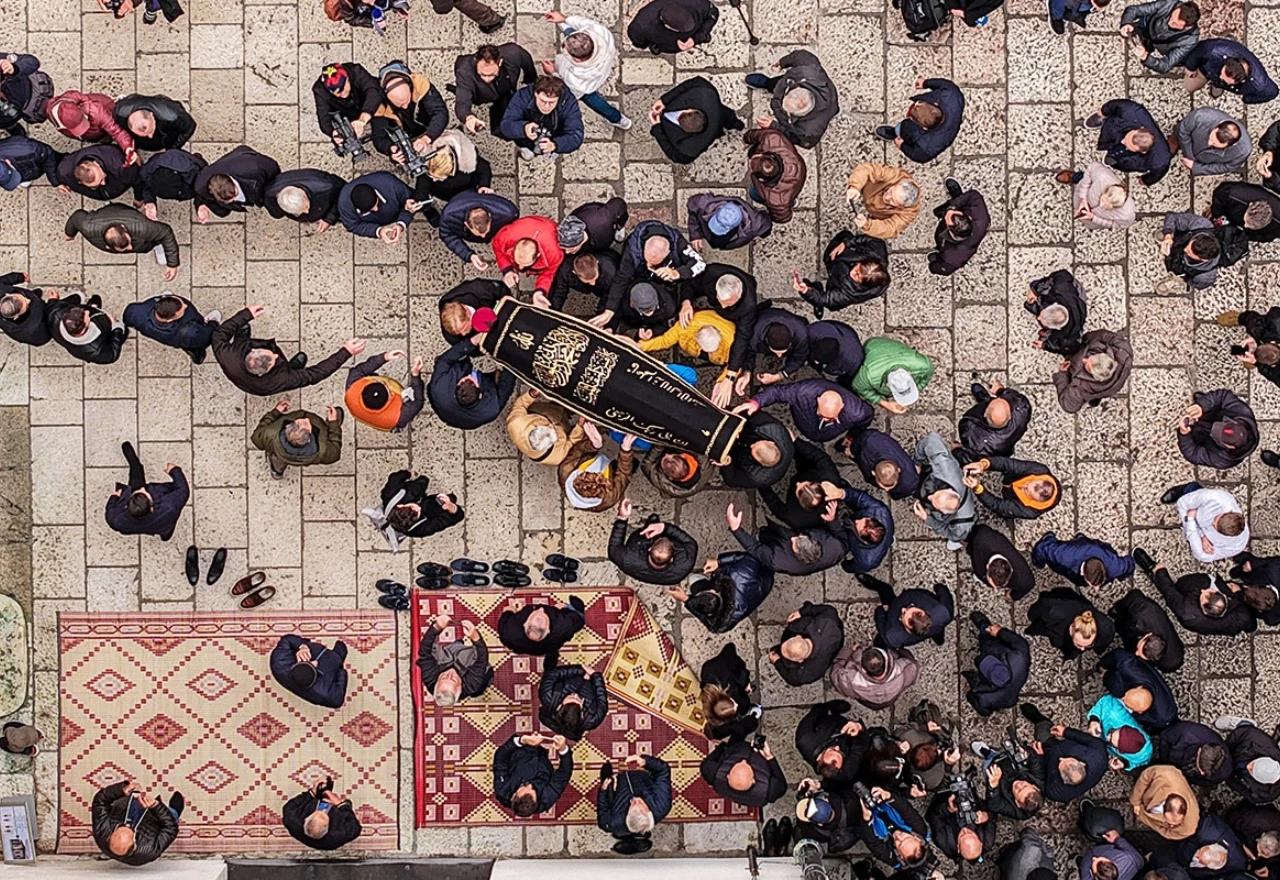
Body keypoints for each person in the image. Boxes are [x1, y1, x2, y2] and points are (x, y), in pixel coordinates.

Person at [212, 304, 363, 396]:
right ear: (263, 373)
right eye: (274, 360)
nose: (276, 355)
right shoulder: (278, 381)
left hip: (239, 367)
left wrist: (246, 315)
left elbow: (219, 334)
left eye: (271, 354)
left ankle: (242, 336)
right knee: (291, 373)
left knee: (242, 330)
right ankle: (292, 368)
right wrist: (346, 352)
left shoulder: (226, 354)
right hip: (262, 380)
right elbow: (315, 374)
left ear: (252, 352)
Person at [595, 220, 704, 327]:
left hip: (665, 285)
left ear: (668, 252)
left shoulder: (678, 243)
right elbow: (622, 278)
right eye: (647, 259)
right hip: (639, 280)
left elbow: (700, 263)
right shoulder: (632, 249)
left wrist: (677, 273)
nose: (649, 265)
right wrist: (610, 310)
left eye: (654, 264)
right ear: (644, 246)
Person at [1133, 547, 1257, 635]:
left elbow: (1169, 592)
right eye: (1209, 592)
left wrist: (1160, 572)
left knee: (1176, 588)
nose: (1203, 591)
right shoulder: (1242, 617)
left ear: (1205, 610)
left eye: (1203, 596)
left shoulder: (1187, 612)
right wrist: (1237, 594)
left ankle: (1151, 570)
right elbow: (1248, 620)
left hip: (1186, 597)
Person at [545, 10, 626, 127]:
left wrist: (553, 72)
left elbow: (570, 89)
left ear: (577, 59)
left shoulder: (574, 77)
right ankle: (620, 120)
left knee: (594, 101)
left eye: (565, 50)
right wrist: (564, 19)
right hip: (603, 67)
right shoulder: (601, 32)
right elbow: (584, 23)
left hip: (585, 88)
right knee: (575, 41)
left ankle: (616, 118)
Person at [745, 50, 839, 149]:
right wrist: (783, 62)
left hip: (826, 104)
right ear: (798, 88)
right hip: (829, 96)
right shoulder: (808, 70)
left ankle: (832, 111)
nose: (779, 100)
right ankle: (768, 83)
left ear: (799, 115)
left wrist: (774, 126)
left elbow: (799, 140)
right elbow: (800, 56)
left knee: (830, 110)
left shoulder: (809, 131)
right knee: (776, 84)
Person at [64, 203, 182, 282]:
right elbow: (76, 218)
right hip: (106, 215)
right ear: (108, 245)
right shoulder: (88, 226)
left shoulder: (142, 226)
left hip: (129, 217)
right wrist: (70, 233)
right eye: (125, 248)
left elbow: (165, 232)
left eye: (128, 243)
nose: (130, 248)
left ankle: (157, 245)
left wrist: (172, 264)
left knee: (157, 238)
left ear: (124, 229)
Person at [1020, 703, 1110, 802]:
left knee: (1040, 737)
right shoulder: (1099, 755)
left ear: (1064, 781)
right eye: (1069, 759)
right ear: (1082, 763)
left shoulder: (1055, 792)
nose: (1061, 758)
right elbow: (1088, 739)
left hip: (1049, 754)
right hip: (1065, 745)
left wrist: (1040, 758)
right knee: (1044, 727)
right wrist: (1066, 732)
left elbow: (1042, 777)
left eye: (1060, 763)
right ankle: (1039, 719)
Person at [742, 378, 872, 443]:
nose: (824, 419)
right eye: (822, 414)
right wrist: (756, 402)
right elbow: (777, 392)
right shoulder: (803, 392)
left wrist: (851, 436)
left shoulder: (857, 412)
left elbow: (867, 417)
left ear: (842, 406)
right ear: (818, 399)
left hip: (825, 434)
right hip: (804, 420)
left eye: (830, 418)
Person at [361, 469, 464, 552]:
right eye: (417, 514)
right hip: (428, 506)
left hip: (412, 490)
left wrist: (407, 473)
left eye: (412, 507)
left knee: (422, 482)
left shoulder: (390, 494)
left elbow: (394, 478)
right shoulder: (419, 530)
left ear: (400, 506)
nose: (419, 508)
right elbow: (452, 519)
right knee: (434, 494)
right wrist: (451, 507)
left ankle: (423, 482)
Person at [104, 442, 188, 541]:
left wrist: (114, 497)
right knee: (166, 528)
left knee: (136, 473)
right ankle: (165, 535)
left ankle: (134, 463)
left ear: (127, 505)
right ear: (152, 508)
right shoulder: (169, 507)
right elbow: (183, 490)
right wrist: (174, 470)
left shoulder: (116, 520)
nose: (142, 488)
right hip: (163, 525)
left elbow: (110, 510)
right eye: (145, 493)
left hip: (134, 525)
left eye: (138, 492)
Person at [649, 76, 743, 165]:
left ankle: (735, 124)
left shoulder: (689, 150)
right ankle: (737, 125)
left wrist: (657, 128)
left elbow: (675, 156)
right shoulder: (707, 92)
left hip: (717, 117)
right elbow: (695, 82)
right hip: (719, 114)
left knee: (727, 118)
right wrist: (664, 100)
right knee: (728, 117)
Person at [427, 337, 516, 430]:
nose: (469, 377)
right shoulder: (490, 409)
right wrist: (511, 356)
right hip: (463, 416)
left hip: (443, 401)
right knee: (499, 379)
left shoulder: (438, 387)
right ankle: (493, 375)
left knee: (444, 363)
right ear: (480, 394)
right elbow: (507, 384)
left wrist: (471, 343)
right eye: (472, 382)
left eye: (464, 381)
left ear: (457, 386)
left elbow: (445, 360)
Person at [370, 61, 448, 164]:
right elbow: (378, 137)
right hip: (403, 137)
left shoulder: (420, 85)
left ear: (410, 87)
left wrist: (427, 138)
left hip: (428, 128)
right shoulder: (378, 105)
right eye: (400, 104)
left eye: (407, 99)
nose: (405, 106)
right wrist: (391, 150)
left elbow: (440, 113)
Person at [794, 231, 889, 316]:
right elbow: (866, 239)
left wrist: (806, 291)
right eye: (858, 269)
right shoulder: (878, 250)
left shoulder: (849, 293)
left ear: (864, 284)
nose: (854, 273)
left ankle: (816, 293)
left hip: (836, 279)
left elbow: (826, 299)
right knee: (839, 242)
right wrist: (846, 243)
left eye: (858, 277)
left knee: (827, 299)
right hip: (843, 255)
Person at [1082, 98, 1172, 186]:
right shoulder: (1132, 111)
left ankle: (1112, 158)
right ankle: (1103, 123)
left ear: (1143, 151)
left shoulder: (1160, 161)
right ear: (1138, 129)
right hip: (1114, 128)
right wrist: (1103, 112)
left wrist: (1145, 180)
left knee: (1118, 160)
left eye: (1128, 145)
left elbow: (1158, 173)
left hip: (1127, 160)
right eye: (1127, 138)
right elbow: (1117, 104)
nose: (1122, 141)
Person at [875, 78, 965, 164]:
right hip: (949, 124)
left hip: (927, 137)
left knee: (903, 129)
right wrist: (925, 83)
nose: (916, 104)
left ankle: (895, 133)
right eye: (920, 103)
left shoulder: (928, 148)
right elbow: (945, 84)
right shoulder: (952, 95)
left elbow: (918, 156)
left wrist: (902, 145)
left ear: (924, 128)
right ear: (935, 104)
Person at [91, 781, 181, 866]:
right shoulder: (149, 851)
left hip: (124, 811)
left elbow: (100, 801)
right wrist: (156, 806)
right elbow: (171, 829)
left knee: (124, 805)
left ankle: (111, 854)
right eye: (130, 829)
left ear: (110, 837)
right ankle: (174, 810)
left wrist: (121, 790)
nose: (128, 825)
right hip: (151, 822)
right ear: (135, 842)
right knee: (171, 816)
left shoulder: (101, 834)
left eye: (120, 826)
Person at [608, 499, 697, 586]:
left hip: (640, 543)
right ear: (671, 559)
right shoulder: (684, 565)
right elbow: (690, 543)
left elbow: (614, 549)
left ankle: (650, 525)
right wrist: (665, 528)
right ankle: (654, 525)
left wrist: (623, 518)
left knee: (648, 529)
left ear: (649, 549)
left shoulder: (628, 559)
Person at [452, 44, 536, 134]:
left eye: (492, 74)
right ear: (476, 62)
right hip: (483, 94)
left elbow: (527, 62)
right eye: (482, 74)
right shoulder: (464, 71)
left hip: (506, 88)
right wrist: (469, 118)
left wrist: (531, 79)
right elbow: (462, 103)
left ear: (500, 62)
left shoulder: (514, 53)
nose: (487, 79)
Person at [912, 431, 976, 549]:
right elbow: (931, 440)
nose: (929, 497)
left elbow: (951, 534)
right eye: (934, 495)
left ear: (946, 513)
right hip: (929, 476)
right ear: (949, 490)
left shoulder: (962, 525)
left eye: (933, 503)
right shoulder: (945, 468)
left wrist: (928, 519)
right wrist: (917, 462)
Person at [250, 400, 344, 479]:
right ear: (309, 440)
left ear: (287, 428)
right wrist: (333, 425)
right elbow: (335, 453)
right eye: (307, 425)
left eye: (298, 423)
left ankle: (277, 470)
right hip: (320, 438)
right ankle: (329, 427)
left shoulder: (270, 434)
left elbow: (256, 437)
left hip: (280, 452)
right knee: (327, 433)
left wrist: (275, 412)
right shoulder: (322, 451)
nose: (306, 419)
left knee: (279, 458)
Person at [498, 75, 585, 161]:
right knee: (526, 151)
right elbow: (506, 125)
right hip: (526, 139)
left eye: (551, 102)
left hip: (553, 137)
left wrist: (556, 145)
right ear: (536, 94)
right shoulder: (522, 97)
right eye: (543, 101)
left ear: (558, 98)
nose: (546, 106)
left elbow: (576, 135)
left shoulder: (568, 103)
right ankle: (524, 147)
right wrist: (523, 128)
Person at [730, 513, 846, 577]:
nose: (793, 538)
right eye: (799, 537)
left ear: (797, 555)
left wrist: (736, 529)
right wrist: (832, 521)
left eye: (794, 543)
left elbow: (755, 548)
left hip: (774, 542)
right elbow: (843, 538)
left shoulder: (777, 560)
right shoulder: (836, 548)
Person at [859, 574, 954, 650]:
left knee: (886, 590)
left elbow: (880, 620)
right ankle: (939, 639)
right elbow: (942, 591)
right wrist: (938, 587)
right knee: (938, 631)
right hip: (937, 625)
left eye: (903, 615)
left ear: (908, 630)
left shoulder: (892, 636)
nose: (903, 609)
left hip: (893, 608)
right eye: (910, 607)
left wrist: (881, 610)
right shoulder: (943, 611)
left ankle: (875, 584)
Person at [417, 611, 493, 707]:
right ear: (460, 687)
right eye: (453, 679)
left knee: (434, 653)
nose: (450, 674)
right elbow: (482, 660)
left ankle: (456, 647)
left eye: (443, 677)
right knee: (479, 663)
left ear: (436, 682)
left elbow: (424, 652)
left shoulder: (430, 679)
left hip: (447, 661)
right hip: (469, 668)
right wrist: (476, 638)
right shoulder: (471, 685)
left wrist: (436, 627)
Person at [1162, 482, 1250, 563]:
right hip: (1198, 504)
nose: (1212, 524)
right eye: (1215, 519)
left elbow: (1202, 555)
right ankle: (1185, 489)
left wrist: (1191, 522)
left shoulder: (1237, 546)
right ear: (1227, 512)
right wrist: (1197, 536)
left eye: (1215, 528)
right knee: (1192, 492)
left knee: (1192, 538)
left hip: (1193, 517)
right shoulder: (1216, 498)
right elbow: (1182, 503)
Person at [963, 612, 1030, 716]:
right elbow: (1020, 642)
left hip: (994, 654)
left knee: (986, 644)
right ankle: (983, 624)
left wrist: (973, 691)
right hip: (1000, 650)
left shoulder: (989, 699)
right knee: (988, 637)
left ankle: (974, 677)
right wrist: (999, 632)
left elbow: (983, 710)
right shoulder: (1019, 658)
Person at [123, 292, 219, 364]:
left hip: (160, 334)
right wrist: (213, 323)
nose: (185, 305)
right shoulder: (190, 332)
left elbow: (127, 319)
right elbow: (207, 337)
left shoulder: (135, 311)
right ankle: (197, 356)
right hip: (185, 338)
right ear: (170, 319)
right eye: (182, 310)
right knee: (196, 345)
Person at [191, 145, 281, 221]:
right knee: (222, 212)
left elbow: (273, 167)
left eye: (235, 195)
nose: (233, 200)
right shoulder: (201, 184)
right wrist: (201, 206)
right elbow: (200, 195)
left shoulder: (255, 167)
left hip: (255, 178)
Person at [493, 733, 574, 818]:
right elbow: (563, 774)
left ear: (513, 796)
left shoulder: (502, 790)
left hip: (519, 752)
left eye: (524, 785)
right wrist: (563, 750)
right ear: (537, 801)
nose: (529, 785)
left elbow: (500, 757)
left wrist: (522, 741)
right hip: (541, 759)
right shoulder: (546, 799)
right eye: (533, 789)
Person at [1053, 328, 1133, 413]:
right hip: (1106, 389)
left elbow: (1068, 405)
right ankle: (1094, 399)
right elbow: (1104, 335)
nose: (1084, 360)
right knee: (1096, 396)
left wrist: (1062, 375)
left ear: (1094, 375)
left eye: (1087, 367)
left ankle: (1093, 399)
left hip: (1073, 359)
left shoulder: (1082, 387)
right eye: (1090, 358)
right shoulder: (1122, 351)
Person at [597, 754, 672, 845]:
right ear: (649, 811)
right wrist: (646, 762)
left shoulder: (612, 823)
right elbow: (663, 771)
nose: (634, 799)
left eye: (632, 804)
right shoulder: (662, 805)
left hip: (618, 787)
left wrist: (603, 791)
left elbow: (603, 810)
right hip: (642, 776)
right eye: (640, 803)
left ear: (626, 816)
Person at [344, 350, 425, 433]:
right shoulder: (400, 416)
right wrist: (415, 375)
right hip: (391, 421)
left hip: (363, 415)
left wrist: (385, 357)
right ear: (389, 395)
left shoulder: (352, 387)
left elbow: (359, 370)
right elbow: (418, 401)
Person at [1176, 388, 1257, 469]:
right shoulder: (1242, 411)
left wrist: (1184, 435)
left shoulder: (1221, 460)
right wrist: (1202, 405)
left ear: (1231, 447)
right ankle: (1204, 405)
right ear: (1235, 422)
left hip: (1202, 438)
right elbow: (1223, 396)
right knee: (1211, 403)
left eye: (1218, 436)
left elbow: (1193, 454)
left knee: (1197, 437)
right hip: (1213, 414)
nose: (1215, 427)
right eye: (1224, 424)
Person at [850, 337, 934, 414]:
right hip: (872, 345)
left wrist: (917, 389)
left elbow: (926, 376)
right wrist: (883, 403)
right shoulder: (869, 376)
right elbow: (858, 387)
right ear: (887, 384)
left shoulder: (925, 366)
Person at [558, 430, 635, 513]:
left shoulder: (566, 470)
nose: (597, 470)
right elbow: (624, 473)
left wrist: (593, 445)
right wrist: (625, 452)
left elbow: (577, 450)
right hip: (612, 468)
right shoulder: (610, 498)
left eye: (587, 472)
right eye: (601, 477)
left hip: (591, 455)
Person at [768, 601, 844, 686]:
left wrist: (778, 662)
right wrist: (801, 612)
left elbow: (792, 678)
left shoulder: (806, 673)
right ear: (798, 637)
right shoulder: (827, 621)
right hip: (835, 641)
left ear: (800, 660)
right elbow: (829, 610)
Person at [492, 214, 565, 301]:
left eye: (525, 264)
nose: (520, 268)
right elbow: (497, 247)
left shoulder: (555, 254)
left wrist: (540, 290)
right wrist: (507, 270)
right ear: (515, 246)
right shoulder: (505, 236)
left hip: (547, 228)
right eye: (518, 263)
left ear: (538, 255)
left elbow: (549, 273)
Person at [1026, 587, 1114, 659]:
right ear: (1072, 628)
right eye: (1079, 644)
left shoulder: (1106, 628)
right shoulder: (1054, 612)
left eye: (1089, 645)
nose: (1082, 649)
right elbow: (1038, 608)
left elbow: (1105, 640)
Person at [1110, 588, 1184, 673]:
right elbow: (1134, 596)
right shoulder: (1143, 610)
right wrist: (1118, 608)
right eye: (1139, 649)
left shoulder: (1170, 661)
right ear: (1148, 635)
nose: (1137, 653)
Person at [964, 455, 1061, 520]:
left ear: (1035, 501)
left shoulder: (1028, 511)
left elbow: (997, 505)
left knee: (1004, 511)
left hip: (1011, 497)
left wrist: (979, 489)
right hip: (1012, 479)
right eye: (1029, 482)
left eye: (1026, 491)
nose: (1024, 485)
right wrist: (984, 464)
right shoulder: (1040, 470)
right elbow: (1009, 464)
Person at [1182, 38, 1277, 104]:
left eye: (1226, 79)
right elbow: (1199, 50)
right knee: (1189, 86)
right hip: (1207, 70)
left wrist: (1247, 99)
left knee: (1218, 82)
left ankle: (1218, 85)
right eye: (1222, 73)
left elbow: (1272, 93)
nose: (1221, 76)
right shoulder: (1215, 49)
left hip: (1220, 77)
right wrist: (1190, 67)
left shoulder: (1260, 85)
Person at [699, 737, 787, 808]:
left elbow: (716, 752)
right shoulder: (770, 791)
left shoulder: (711, 772)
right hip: (754, 754)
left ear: (728, 775)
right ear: (753, 780)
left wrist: (721, 746)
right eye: (748, 766)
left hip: (737, 747)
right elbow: (781, 783)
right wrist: (769, 757)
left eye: (738, 763)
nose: (743, 761)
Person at [44, 88, 135, 157]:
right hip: (95, 133)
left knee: (113, 126)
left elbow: (116, 131)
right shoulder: (52, 112)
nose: (84, 128)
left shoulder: (97, 111)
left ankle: (120, 103)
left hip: (107, 112)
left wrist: (127, 146)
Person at [438, 190, 517, 267]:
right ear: (466, 224)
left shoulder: (507, 213)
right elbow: (447, 236)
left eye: (485, 232)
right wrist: (469, 255)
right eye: (479, 234)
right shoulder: (448, 217)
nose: (483, 236)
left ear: (490, 216)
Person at [45, 292, 128, 365]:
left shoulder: (56, 315)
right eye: (85, 315)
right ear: (82, 328)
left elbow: (52, 307)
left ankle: (94, 308)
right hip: (106, 332)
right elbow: (112, 354)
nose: (87, 311)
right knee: (122, 332)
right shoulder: (96, 351)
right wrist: (117, 328)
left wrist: (53, 300)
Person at [829, 642, 917, 711]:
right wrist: (899, 650)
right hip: (891, 698)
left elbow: (835, 676)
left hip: (869, 702)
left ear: (864, 670)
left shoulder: (851, 681)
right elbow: (912, 663)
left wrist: (847, 652)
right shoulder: (905, 668)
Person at [1159, 212, 1233, 293]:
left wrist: (1184, 280)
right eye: (1189, 245)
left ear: (1204, 260)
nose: (1184, 250)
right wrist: (1168, 235)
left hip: (1183, 270)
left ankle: (1176, 279)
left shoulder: (1206, 276)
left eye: (1189, 252)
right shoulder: (1201, 224)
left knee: (1182, 275)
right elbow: (1172, 217)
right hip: (1178, 242)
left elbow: (1196, 284)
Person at [269, 633, 349, 709]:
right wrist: (341, 670)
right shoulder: (324, 694)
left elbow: (286, 639)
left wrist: (302, 646)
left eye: (309, 662)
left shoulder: (279, 662)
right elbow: (338, 701)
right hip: (329, 669)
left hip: (310, 652)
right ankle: (337, 656)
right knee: (339, 651)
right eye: (314, 667)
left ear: (297, 663)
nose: (315, 662)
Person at [1032, 531, 1134, 590]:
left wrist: (1123, 576)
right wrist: (1038, 562)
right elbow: (1043, 548)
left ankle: (1080, 539)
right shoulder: (1064, 556)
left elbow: (1129, 565)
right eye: (1093, 585)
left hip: (1090, 546)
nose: (1097, 589)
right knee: (1051, 549)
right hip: (1080, 549)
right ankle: (1050, 538)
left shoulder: (1115, 566)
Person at [699, 644, 760, 741]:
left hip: (733, 672)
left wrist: (745, 684)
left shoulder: (734, 680)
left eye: (733, 703)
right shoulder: (708, 672)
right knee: (743, 706)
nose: (736, 704)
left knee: (743, 707)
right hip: (727, 668)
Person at [312, 62, 381, 148]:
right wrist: (333, 132)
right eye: (337, 93)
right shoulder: (320, 90)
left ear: (347, 79)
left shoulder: (356, 71)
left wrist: (363, 119)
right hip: (347, 116)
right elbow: (323, 117)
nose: (342, 94)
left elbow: (374, 91)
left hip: (370, 107)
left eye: (342, 89)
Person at [1120, 0, 1200, 74]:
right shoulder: (1168, 3)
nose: (1169, 22)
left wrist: (1145, 57)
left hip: (1160, 44)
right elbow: (1134, 9)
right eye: (1172, 16)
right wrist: (1126, 22)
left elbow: (1166, 66)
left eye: (1175, 24)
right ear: (1177, 8)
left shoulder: (1190, 40)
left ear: (1187, 27)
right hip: (1148, 25)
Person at [845, 163, 921, 239]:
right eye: (891, 191)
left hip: (877, 216)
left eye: (892, 200)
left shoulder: (909, 213)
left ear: (901, 206)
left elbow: (890, 228)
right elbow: (868, 169)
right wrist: (855, 187)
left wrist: (868, 225)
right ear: (895, 184)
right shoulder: (894, 175)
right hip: (868, 190)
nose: (887, 197)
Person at [282, 779, 362, 851]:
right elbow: (355, 827)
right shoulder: (337, 836)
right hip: (335, 822)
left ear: (306, 820)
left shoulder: (292, 822)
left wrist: (311, 793)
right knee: (347, 806)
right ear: (328, 828)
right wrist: (340, 804)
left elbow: (289, 806)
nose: (323, 811)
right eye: (325, 814)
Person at [928, 180, 988, 276]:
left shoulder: (953, 257)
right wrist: (953, 206)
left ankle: (939, 253)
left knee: (940, 243)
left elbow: (944, 270)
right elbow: (973, 195)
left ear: (951, 231)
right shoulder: (981, 216)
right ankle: (957, 196)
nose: (948, 213)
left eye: (947, 218)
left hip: (947, 248)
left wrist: (935, 264)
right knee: (960, 201)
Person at [839, 429, 919, 501]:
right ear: (873, 473)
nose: (887, 490)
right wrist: (852, 449)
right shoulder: (870, 441)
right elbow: (863, 438)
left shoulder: (910, 482)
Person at [721, 410, 793, 490]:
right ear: (771, 442)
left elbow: (732, 479)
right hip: (741, 430)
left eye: (753, 452)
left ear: (760, 464)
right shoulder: (770, 426)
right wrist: (738, 423)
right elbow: (747, 411)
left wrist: (727, 464)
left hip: (732, 453)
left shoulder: (759, 478)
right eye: (756, 443)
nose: (751, 446)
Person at [538, 658, 607, 740]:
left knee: (549, 669)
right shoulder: (592, 720)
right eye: (578, 700)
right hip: (590, 686)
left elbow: (553, 674)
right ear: (582, 714)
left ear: (559, 707)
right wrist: (595, 676)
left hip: (572, 676)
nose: (575, 695)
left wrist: (581, 670)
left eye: (571, 697)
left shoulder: (547, 696)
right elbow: (602, 699)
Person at [958, 381, 1030, 459]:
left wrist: (956, 450)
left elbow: (970, 457)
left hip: (998, 449)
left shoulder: (976, 440)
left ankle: (984, 400)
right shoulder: (1022, 407)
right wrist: (1000, 390)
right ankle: (985, 399)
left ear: (985, 415)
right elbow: (1012, 397)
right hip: (1006, 445)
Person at [338, 172, 417, 242]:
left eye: (377, 204)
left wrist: (402, 223)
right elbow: (353, 225)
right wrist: (377, 231)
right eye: (370, 210)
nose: (376, 209)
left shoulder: (390, 183)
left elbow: (411, 202)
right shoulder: (344, 205)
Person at [1173, 108, 1251, 176]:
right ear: (1217, 126)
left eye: (1214, 144)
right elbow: (1183, 129)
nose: (1209, 143)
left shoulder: (1242, 152)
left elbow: (1227, 167)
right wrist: (1189, 155)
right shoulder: (1201, 116)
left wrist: (1197, 167)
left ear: (1231, 145)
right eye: (1211, 138)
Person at [926, 788, 995, 865]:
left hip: (945, 794)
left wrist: (947, 809)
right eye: (971, 834)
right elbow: (994, 813)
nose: (965, 830)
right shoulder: (988, 839)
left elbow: (932, 815)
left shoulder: (943, 840)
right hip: (971, 794)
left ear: (958, 847)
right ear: (981, 843)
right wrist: (986, 816)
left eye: (962, 836)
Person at [1026, 269, 1087, 355]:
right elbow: (1062, 274)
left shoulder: (1070, 335)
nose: (1038, 318)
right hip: (1074, 295)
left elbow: (1069, 348)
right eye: (1042, 314)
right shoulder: (1061, 286)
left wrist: (1045, 345)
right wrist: (1034, 290)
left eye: (1043, 321)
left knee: (1029, 305)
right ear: (1054, 305)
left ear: (1058, 328)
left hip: (1075, 306)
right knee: (1036, 298)